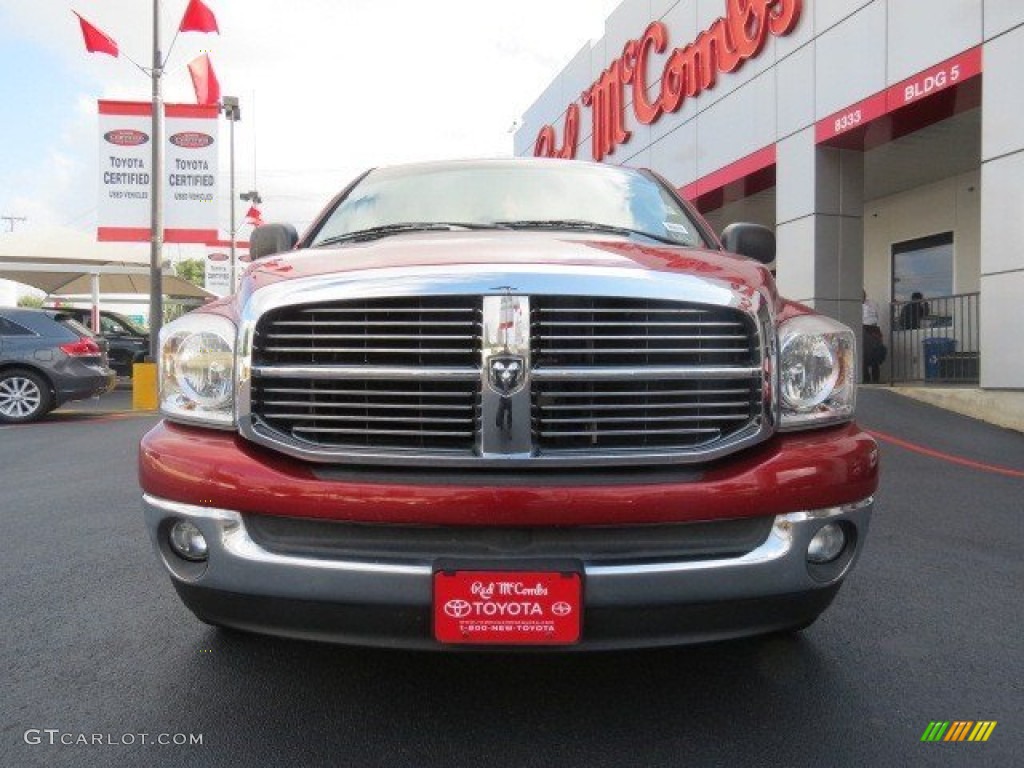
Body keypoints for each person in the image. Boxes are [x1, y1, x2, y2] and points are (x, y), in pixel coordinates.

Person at [862, 290, 885, 384]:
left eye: (863, 294)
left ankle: (876, 379)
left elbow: (877, 315)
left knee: (876, 354)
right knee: (864, 355)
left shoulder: (872, 303)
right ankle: (866, 379)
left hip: (873, 329)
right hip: (862, 329)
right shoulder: (853, 305)